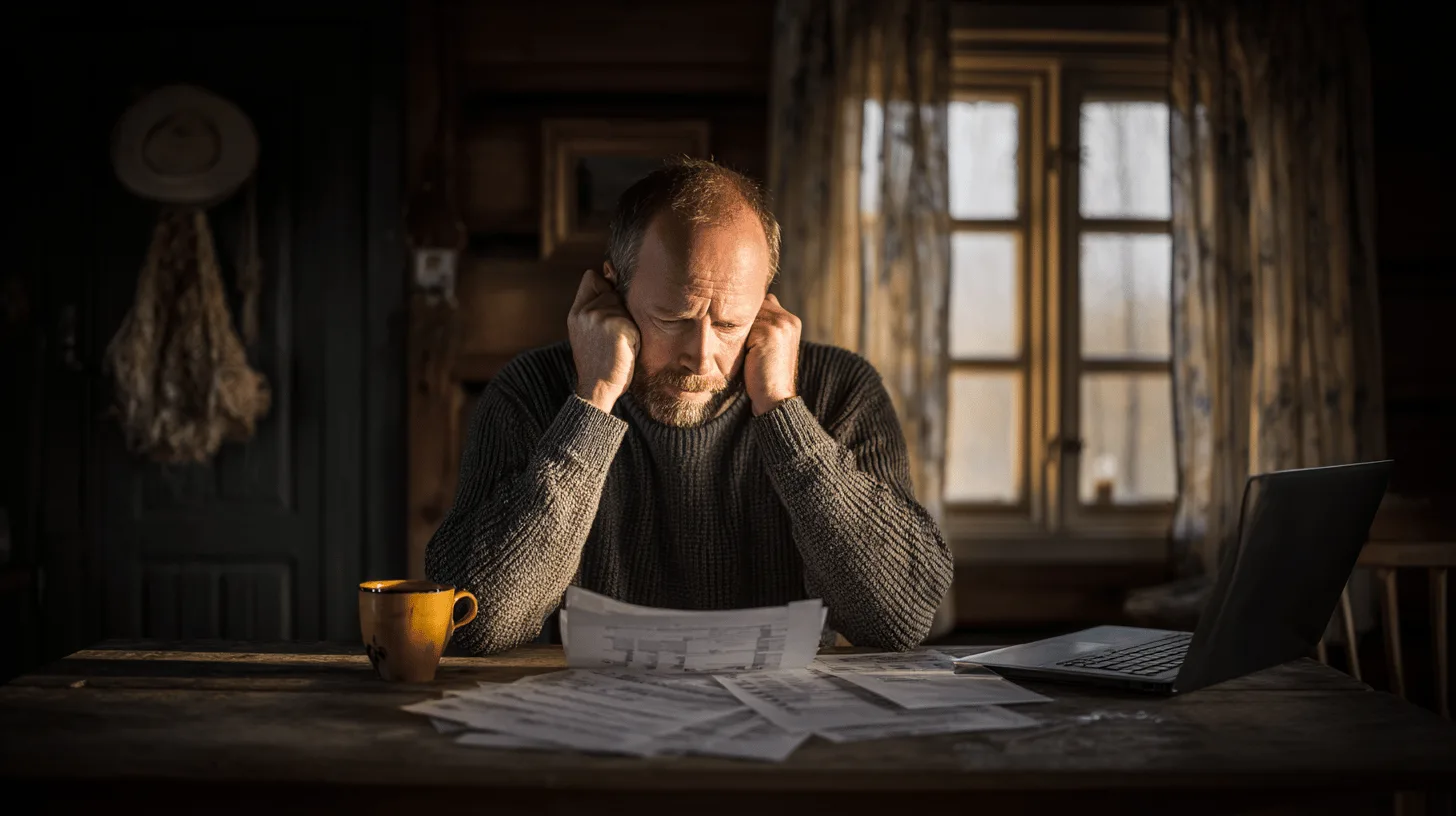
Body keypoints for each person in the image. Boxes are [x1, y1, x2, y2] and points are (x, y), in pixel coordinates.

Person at [426, 157, 952, 654]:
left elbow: (897, 619)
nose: (701, 356)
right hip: (591, 732)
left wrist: (783, 408)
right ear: (613, 293)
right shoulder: (530, 392)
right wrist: (592, 403)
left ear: (765, 305)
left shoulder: (841, 389)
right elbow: (474, 622)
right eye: (673, 319)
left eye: (729, 325)